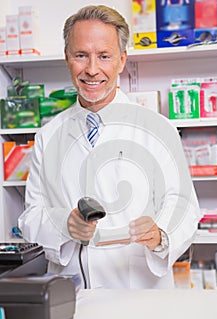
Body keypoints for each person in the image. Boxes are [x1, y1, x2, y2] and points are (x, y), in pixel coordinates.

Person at [18, 5, 201, 289]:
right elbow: (31, 216)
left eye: (104, 56)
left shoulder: (158, 129)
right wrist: (64, 225)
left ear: (121, 60)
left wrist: (160, 235)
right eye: (81, 55)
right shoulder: (48, 135)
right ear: (68, 59)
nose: (92, 69)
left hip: (138, 291)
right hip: (71, 293)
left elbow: (183, 204)